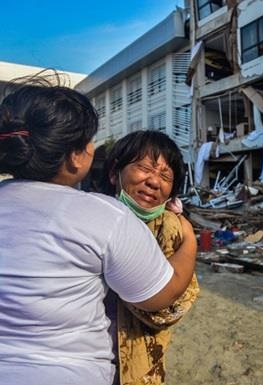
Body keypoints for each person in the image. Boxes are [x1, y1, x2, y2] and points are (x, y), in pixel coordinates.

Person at [0, 80, 196, 385]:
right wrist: (190, 244)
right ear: (75, 156)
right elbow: (160, 295)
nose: (153, 182)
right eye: (88, 140)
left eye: (164, 175)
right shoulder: (104, 215)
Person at [101, 130, 199, 385]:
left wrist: (189, 239)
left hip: (137, 367)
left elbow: (166, 310)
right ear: (115, 172)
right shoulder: (92, 218)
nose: (154, 182)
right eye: (144, 168)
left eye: (165, 176)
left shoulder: (171, 229)